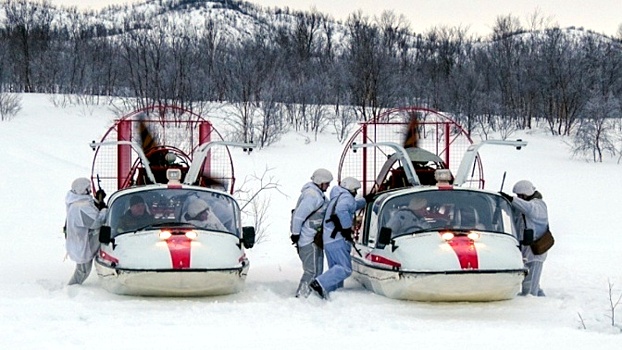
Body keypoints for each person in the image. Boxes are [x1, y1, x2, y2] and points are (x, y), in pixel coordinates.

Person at [309, 177, 366, 299]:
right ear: (350, 188)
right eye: (355, 190)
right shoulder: (346, 197)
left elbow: (351, 206)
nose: (356, 193)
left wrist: (365, 201)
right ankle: (319, 283)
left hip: (328, 239)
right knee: (345, 269)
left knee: (335, 270)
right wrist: (346, 228)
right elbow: (342, 209)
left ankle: (330, 296)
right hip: (338, 239)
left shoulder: (338, 196)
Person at [500, 180, 549, 297]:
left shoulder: (538, 205)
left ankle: (532, 303)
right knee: (530, 281)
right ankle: (542, 299)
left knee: (531, 286)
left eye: (520, 196)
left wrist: (512, 199)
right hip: (524, 250)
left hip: (536, 249)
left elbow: (529, 209)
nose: (519, 198)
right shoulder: (522, 206)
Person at [290, 168, 332, 297]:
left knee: (317, 270)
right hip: (308, 238)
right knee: (311, 271)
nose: (328, 185)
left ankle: (313, 297)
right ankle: (302, 296)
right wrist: (295, 234)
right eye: (327, 183)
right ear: (319, 182)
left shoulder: (318, 194)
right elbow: (299, 216)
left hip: (314, 238)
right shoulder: (312, 196)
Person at [65, 177, 106, 285]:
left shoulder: (76, 200)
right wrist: (104, 209)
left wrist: (98, 201)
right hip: (83, 243)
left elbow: (91, 207)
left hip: (79, 240)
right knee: (82, 271)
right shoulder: (81, 207)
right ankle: (71, 289)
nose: (90, 190)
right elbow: (96, 222)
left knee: (82, 270)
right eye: (88, 188)